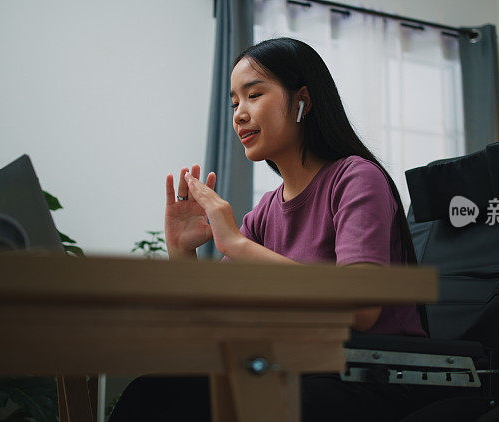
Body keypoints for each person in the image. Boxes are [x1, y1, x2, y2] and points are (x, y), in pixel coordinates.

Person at [110, 37, 428, 422]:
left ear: (303, 101)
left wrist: (236, 244)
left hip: (372, 379)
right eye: (234, 103)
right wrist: (182, 253)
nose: (239, 115)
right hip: (300, 371)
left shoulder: (357, 177)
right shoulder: (264, 212)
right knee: (153, 393)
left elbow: (360, 307)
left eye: (254, 95)